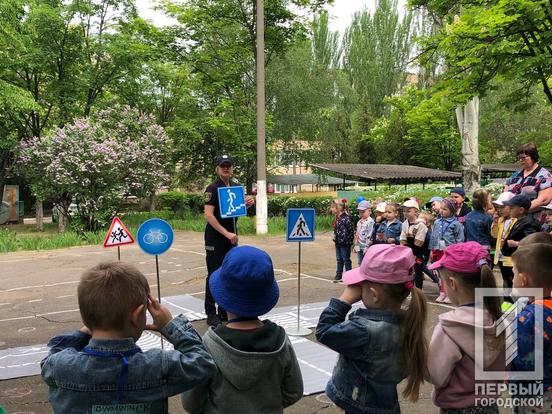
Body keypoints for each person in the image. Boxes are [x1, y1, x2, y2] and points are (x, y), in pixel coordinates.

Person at [41, 262, 216, 413]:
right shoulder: (157, 365)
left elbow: (54, 354)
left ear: (84, 318)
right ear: (138, 315)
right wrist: (169, 325)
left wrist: (84, 332)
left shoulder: (60, 367)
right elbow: (203, 363)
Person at [181, 246, 303, 414]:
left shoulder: (209, 344)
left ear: (221, 296)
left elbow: (191, 403)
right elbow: (294, 391)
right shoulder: (280, 341)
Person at [315, 244, 428, 414]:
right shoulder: (409, 323)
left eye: (361, 287)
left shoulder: (363, 331)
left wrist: (344, 300)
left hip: (360, 407)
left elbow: (324, 331)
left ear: (374, 294)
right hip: (387, 405)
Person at [427, 242, 505, 414]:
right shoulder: (499, 319)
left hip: (456, 409)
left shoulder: (449, 327)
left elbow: (436, 376)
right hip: (490, 407)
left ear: (452, 284)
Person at [203, 155, 253, 327]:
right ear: (217, 168)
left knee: (229, 272)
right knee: (214, 274)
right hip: (216, 238)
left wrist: (247, 204)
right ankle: (211, 312)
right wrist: (226, 233)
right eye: (222, 165)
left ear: (232, 168)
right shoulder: (212, 188)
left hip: (231, 238)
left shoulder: (236, 187)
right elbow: (208, 215)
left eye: (228, 165)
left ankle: (224, 310)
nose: (226, 168)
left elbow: (234, 210)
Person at [510, 243, 552, 412]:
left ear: (523, 279)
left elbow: (523, 364)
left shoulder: (528, 318)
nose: (512, 279)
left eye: (514, 273)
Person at [429, 198, 465, 303]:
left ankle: (451, 294)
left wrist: (457, 253)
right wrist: (431, 250)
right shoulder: (437, 222)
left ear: (452, 211)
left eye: (445, 209)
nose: (441, 211)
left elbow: (460, 240)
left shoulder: (456, 224)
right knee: (440, 273)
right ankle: (442, 292)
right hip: (437, 251)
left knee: (449, 274)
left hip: (450, 252)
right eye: (441, 208)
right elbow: (433, 237)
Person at [505, 143, 552, 219]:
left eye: (523, 157)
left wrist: (519, 211)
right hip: (512, 219)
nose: (520, 160)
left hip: (533, 220)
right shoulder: (515, 175)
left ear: (533, 156)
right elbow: (505, 195)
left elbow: (543, 200)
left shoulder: (545, 175)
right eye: (519, 158)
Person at [501, 193, 541, 259]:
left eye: (511, 208)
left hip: (526, 259)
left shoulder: (529, 224)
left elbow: (532, 243)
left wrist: (516, 244)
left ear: (521, 210)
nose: (509, 210)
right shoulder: (519, 221)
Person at [400, 199, 429, 289]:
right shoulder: (404, 224)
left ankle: (418, 291)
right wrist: (404, 251)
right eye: (404, 211)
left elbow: (419, 242)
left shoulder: (421, 225)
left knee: (417, 271)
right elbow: (403, 238)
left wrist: (414, 254)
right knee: (408, 271)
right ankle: (410, 289)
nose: (405, 213)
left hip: (419, 251)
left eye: (408, 211)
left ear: (416, 212)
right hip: (409, 249)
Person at [491, 192, 517, 289]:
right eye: (498, 207)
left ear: (511, 207)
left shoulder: (516, 221)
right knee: (505, 280)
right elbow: (494, 235)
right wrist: (495, 222)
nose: (499, 210)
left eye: (502, 207)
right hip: (501, 256)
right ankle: (506, 297)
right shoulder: (501, 220)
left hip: (510, 258)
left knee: (512, 281)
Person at [333, 198, 354, 282]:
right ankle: (339, 273)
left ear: (340, 208)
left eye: (335, 207)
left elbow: (351, 230)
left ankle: (349, 274)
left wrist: (350, 241)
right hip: (338, 242)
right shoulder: (337, 217)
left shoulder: (347, 218)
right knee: (339, 259)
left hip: (345, 242)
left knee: (346, 259)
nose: (333, 208)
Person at [354, 200, 374, 265]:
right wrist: (356, 245)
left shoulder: (370, 222)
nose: (361, 213)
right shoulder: (359, 222)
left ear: (370, 211)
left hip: (366, 246)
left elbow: (370, 234)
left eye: (363, 211)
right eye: (360, 212)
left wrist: (367, 246)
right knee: (360, 262)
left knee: (366, 263)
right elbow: (357, 233)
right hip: (359, 245)